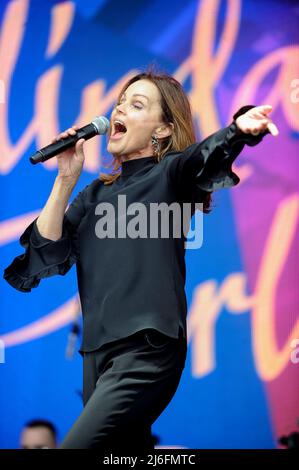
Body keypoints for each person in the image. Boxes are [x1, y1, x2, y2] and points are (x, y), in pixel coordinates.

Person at [4, 69, 278, 450]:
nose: (120, 110)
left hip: (146, 348)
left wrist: (237, 130)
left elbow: (203, 158)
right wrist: (65, 179)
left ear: (162, 130)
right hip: (97, 355)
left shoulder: (170, 175)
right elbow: (45, 257)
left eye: (137, 105)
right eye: (121, 103)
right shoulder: (94, 195)